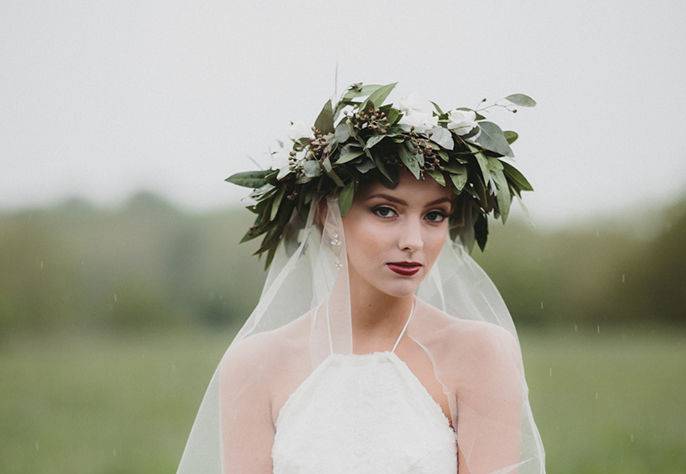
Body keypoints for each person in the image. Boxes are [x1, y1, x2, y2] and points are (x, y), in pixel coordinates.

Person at [176, 82, 546, 473]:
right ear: (327, 215)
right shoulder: (254, 365)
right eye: (386, 211)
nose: (413, 242)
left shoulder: (480, 355)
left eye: (434, 215)